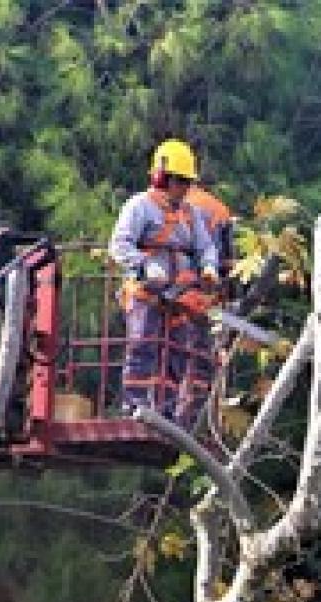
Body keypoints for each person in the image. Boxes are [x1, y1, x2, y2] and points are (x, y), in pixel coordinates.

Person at [109, 139, 220, 426]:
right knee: (143, 348)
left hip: (179, 296)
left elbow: (206, 247)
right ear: (162, 178)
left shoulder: (191, 214)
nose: (184, 188)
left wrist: (209, 268)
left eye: (187, 182)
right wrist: (145, 267)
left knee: (176, 355)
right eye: (180, 181)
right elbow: (119, 246)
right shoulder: (139, 207)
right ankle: (133, 405)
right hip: (147, 293)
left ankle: (165, 412)